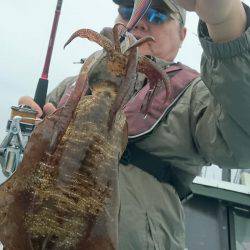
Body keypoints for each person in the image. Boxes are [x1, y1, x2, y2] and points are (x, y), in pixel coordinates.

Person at [19, 0, 250, 249]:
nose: (138, 21)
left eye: (157, 16)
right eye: (127, 12)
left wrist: (226, 22)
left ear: (183, 35)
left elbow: (242, 138)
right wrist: (27, 135)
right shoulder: (68, 87)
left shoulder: (197, 95)